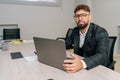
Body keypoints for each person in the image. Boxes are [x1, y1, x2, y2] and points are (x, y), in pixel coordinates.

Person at [63, 4, 109, 73]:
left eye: (83, 15)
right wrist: (56, 45)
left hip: (96, 67)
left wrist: (82, 63)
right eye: (77, 16)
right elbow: (67, 44)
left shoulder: (100, 32)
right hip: (80, 66)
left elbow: (102, 55)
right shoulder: (75, 31)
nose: (80, 18)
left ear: (89, 17)